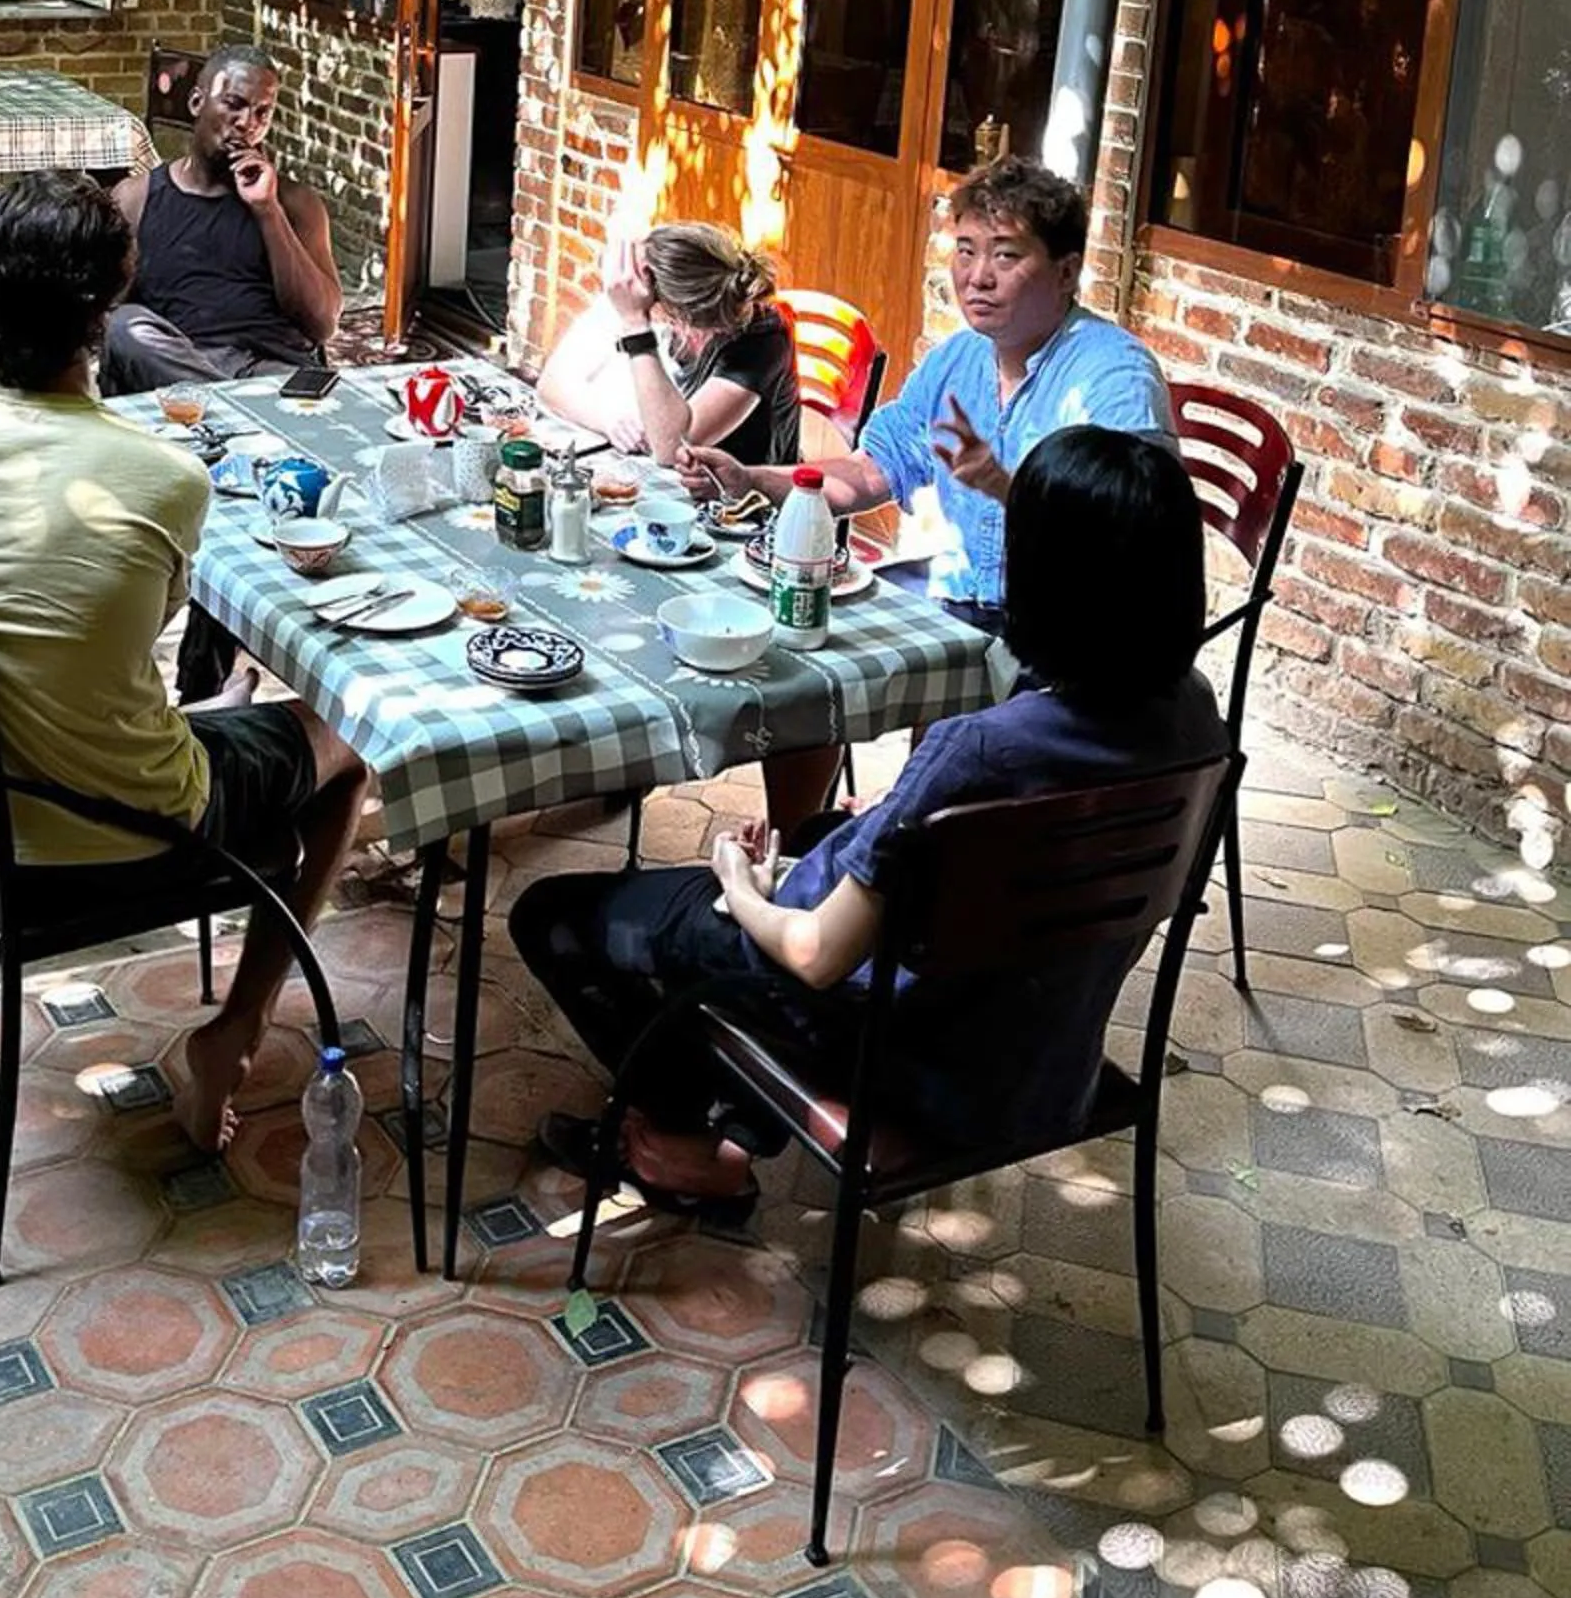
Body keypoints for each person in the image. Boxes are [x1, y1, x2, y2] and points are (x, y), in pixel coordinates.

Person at [512, 428, 1230, 1213]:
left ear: (1042, 578)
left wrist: (739, 882)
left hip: (907, 1061)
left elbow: (816, 956)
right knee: (819, 834)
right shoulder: (1196, 718)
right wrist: (892, 825)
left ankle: (691, 1149)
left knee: (556, 916)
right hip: (1042, 1061)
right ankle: (734, 1123)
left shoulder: (980, 750)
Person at [0, 171, 367, 1153]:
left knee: (207, 707)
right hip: (115, 837)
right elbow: (146, 617)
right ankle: (233, 1036)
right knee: (350, 737)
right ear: (114, 301)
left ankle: (220, 728)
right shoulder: (159, 476)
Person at [683, 156, 1173, 624]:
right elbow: (868, 471)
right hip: (957, 593)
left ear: (1066, 272)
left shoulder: (1113, 379)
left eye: (1005, 254)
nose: (978, 277)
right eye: (965, 251)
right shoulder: (956, 360)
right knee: (785, 619)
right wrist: (750, 478)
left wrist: (1008, 489)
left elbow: (1127, 541)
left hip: (1066, 633)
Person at [99, 45, 340, 395]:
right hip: (177, 369)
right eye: (234, 104)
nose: (247, 124)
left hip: (269, 373)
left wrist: (268, 211)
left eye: (262, 113)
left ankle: (229, 404)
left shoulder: (294, 202)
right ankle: (233, 403)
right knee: (124, 327)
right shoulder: (137, 197)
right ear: (197, 103)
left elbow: (322, 325)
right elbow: (104, 314)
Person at [537, 222, 802, 470]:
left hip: (739, 502)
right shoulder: (645, 298)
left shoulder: (762, 337)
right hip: (667, 481)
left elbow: (673, 448)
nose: (629, 286)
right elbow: (552, 383)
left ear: (678, 314)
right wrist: (607, 419)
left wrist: (635, 325)